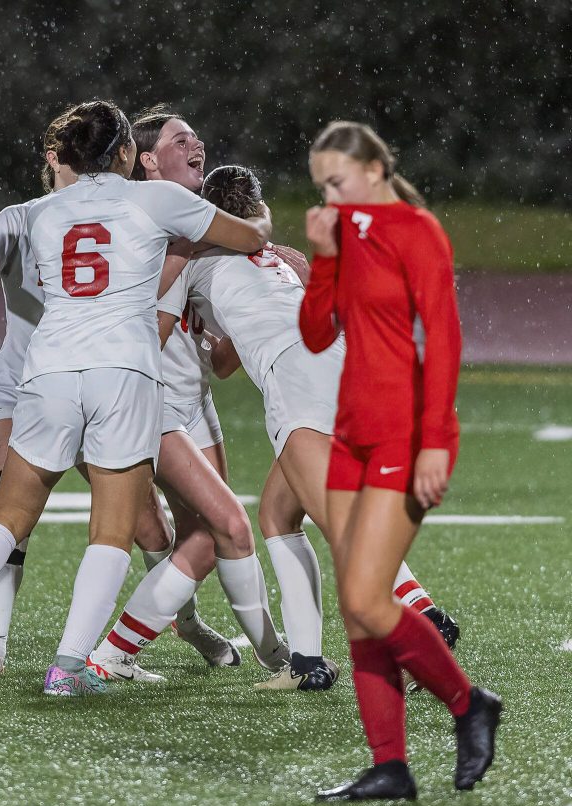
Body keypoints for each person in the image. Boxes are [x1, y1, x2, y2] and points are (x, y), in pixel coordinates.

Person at [0, 99, 271, 696]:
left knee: (8, 517)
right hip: (123, 372)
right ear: (125, 153)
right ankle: (68, 669)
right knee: (111, 532)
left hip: (46, 372)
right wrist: (257, 219)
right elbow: (249, 234)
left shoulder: (39, 211)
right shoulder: (159, 199)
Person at [143, 164, 459, 692]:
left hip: (295, 377)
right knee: (278, 515)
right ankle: (307, 663)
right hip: (341, 362)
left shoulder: (191, 258)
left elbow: (160, 335)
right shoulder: (278, 255)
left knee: (341, 524)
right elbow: (235, 351)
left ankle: (424, 618)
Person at [300, 121, 501, 800]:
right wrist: (323, 255)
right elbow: (315, 331)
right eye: (321, 184)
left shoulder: (417, 231)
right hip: (349, 433)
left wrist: (437, 439)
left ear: (376, 169)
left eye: (338, 181)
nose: (329, 194)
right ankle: (391, 765)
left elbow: (443, 337)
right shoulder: (343, 235)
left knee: (366, 596)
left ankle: (468, 703)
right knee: (357, 614)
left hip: (404, 434)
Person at [87, 107, 288, 684]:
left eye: (197, 136)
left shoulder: (188, 220)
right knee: (222, 528)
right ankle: (281, 656)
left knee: (206, 538)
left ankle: (136, 648)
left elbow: (220, 361)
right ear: (147, 160)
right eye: (181, 140)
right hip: (150, 401)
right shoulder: (160, 223)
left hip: (191, 399)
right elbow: (143, 326)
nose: (197, 143)